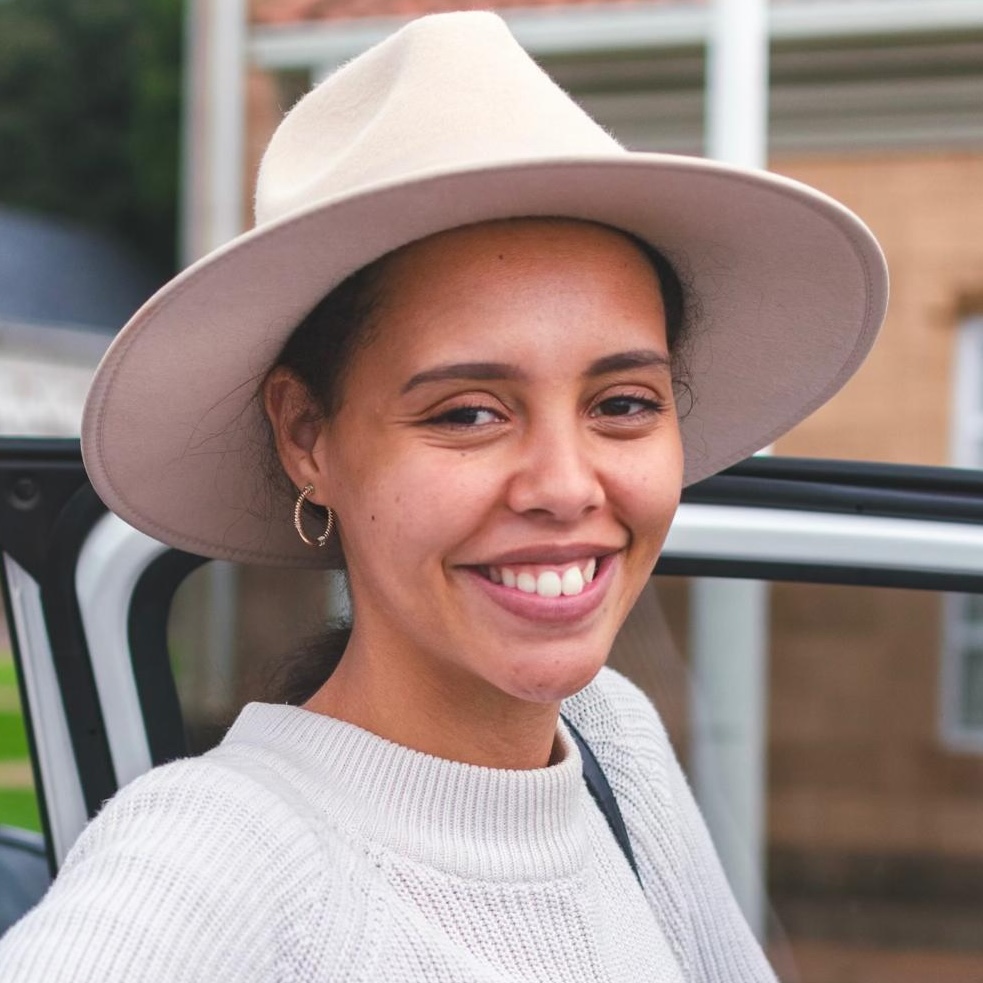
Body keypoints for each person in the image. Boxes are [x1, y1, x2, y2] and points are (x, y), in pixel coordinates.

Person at [0, 11, 887, 982]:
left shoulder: (610, 742)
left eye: (623, 403)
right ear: (306, 436)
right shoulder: (215, 856)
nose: (564, 485)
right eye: (468, 413)